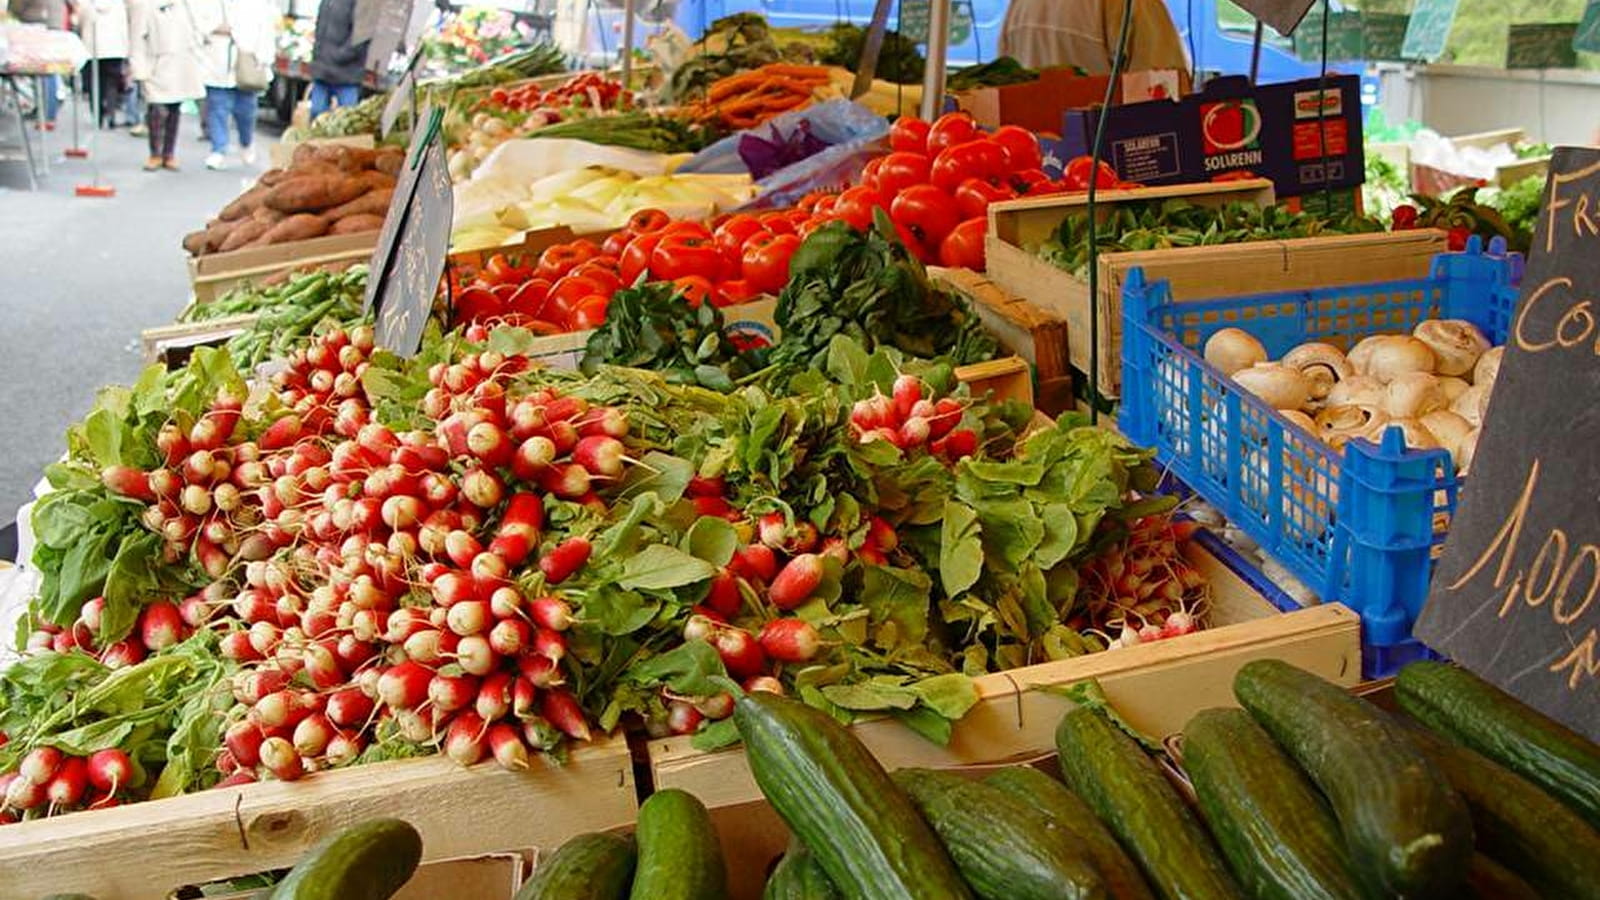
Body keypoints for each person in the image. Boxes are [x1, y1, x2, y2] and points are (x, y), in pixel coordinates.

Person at [999, 0, 1189, 75]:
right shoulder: (1134, 4)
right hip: (1105, 151)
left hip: (1042, 151)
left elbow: (1005, 73)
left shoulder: (1020, 5)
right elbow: (1168, 87)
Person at [194, 0, 272, 168]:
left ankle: (246, 142)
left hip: (246, 63)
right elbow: (197, 23)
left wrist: (263, 59)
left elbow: (265, 30)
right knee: (217, 108)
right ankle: (218, 149)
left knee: (245, 111)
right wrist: (214, 28)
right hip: (216, 64)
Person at [127, 0, 205, 170]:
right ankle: (155, 153)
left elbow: (197, 30)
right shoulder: (145, 4)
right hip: (156, 64)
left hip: (181, 64)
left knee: (174, 109)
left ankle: (169, 153)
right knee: (157, 110)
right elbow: (137, 38)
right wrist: (138, 68)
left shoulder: (186, 5)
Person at [8, 0, 69, 128]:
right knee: (50, 68)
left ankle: (46, 113)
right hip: (55, 22)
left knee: (43, 69)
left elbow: (16, 7)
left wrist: (14, 11)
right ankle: (48, 110)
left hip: (38, 24)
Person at [308, 0, 365, 122]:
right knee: (316, 113)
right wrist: (317, 53)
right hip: (322, 72)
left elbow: (360, 37)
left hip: (347, 75)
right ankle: (317, 141)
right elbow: (320, 29)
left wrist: (338, 56)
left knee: (347, 120)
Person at [78, 0, 129, 128]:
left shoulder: (87, 5)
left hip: (92, 50)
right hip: (115, 50)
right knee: (112, 84)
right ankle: (111, 115)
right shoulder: (119, 5)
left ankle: (97, 116)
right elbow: (124, 27)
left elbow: (80, 24)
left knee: (95, 85)